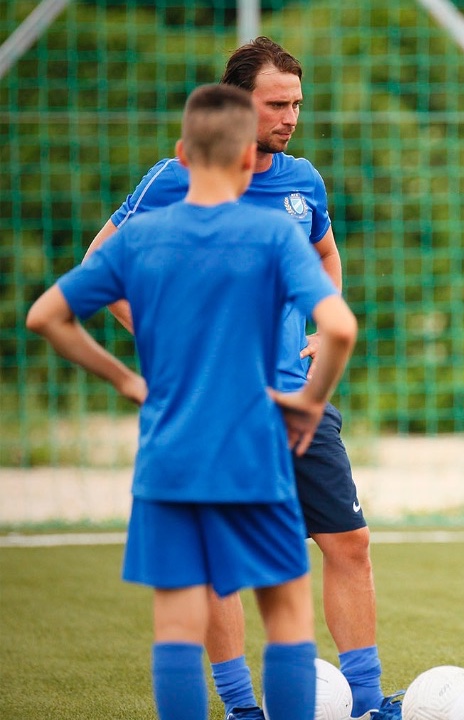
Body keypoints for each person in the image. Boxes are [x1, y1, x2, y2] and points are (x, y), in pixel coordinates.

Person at [83, 37, 398, 720]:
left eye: (297, 104)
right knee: (221, 564)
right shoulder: (174, 179)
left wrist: (322, 329)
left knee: (348, 542)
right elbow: (96, 265)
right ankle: (240, 707)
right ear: (234, 104)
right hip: (211, 411)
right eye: (276, 104)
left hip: (296, 402)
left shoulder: (301, 179)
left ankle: (371, 702)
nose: (290, 117)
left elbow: (326, 255)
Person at [27, 83, 358, 720]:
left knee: (178, 623)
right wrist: (311, 402)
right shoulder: (271, 235)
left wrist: (127, 380)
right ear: (243, 161)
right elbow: (339, 328)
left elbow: (48, 315)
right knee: (286, 613)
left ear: (182, 152)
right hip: (254, 444)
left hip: (170, 451)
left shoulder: (137, 240)